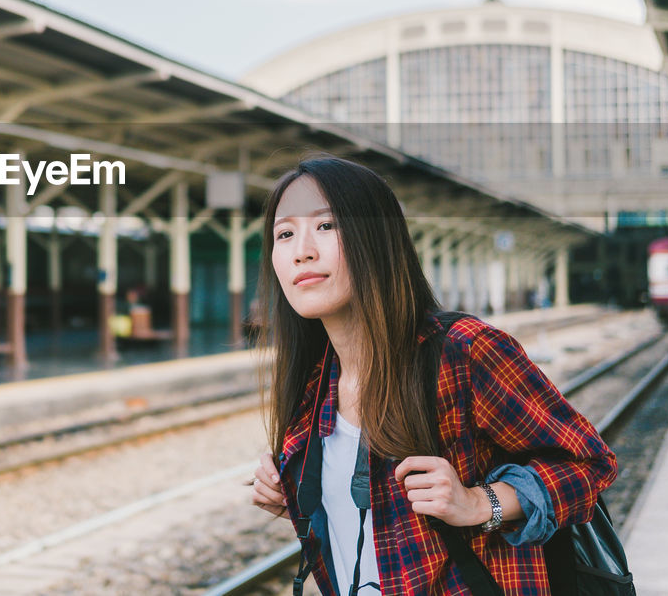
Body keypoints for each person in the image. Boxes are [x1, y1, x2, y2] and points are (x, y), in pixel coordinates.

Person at [249, 154, 616, 595]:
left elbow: (591, 464)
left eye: (327, 226)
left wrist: (481, 503)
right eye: (284, 234)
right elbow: (372, 528)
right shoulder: (314, 386)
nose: (302, 250)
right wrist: (294, 494)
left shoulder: (462, 351)